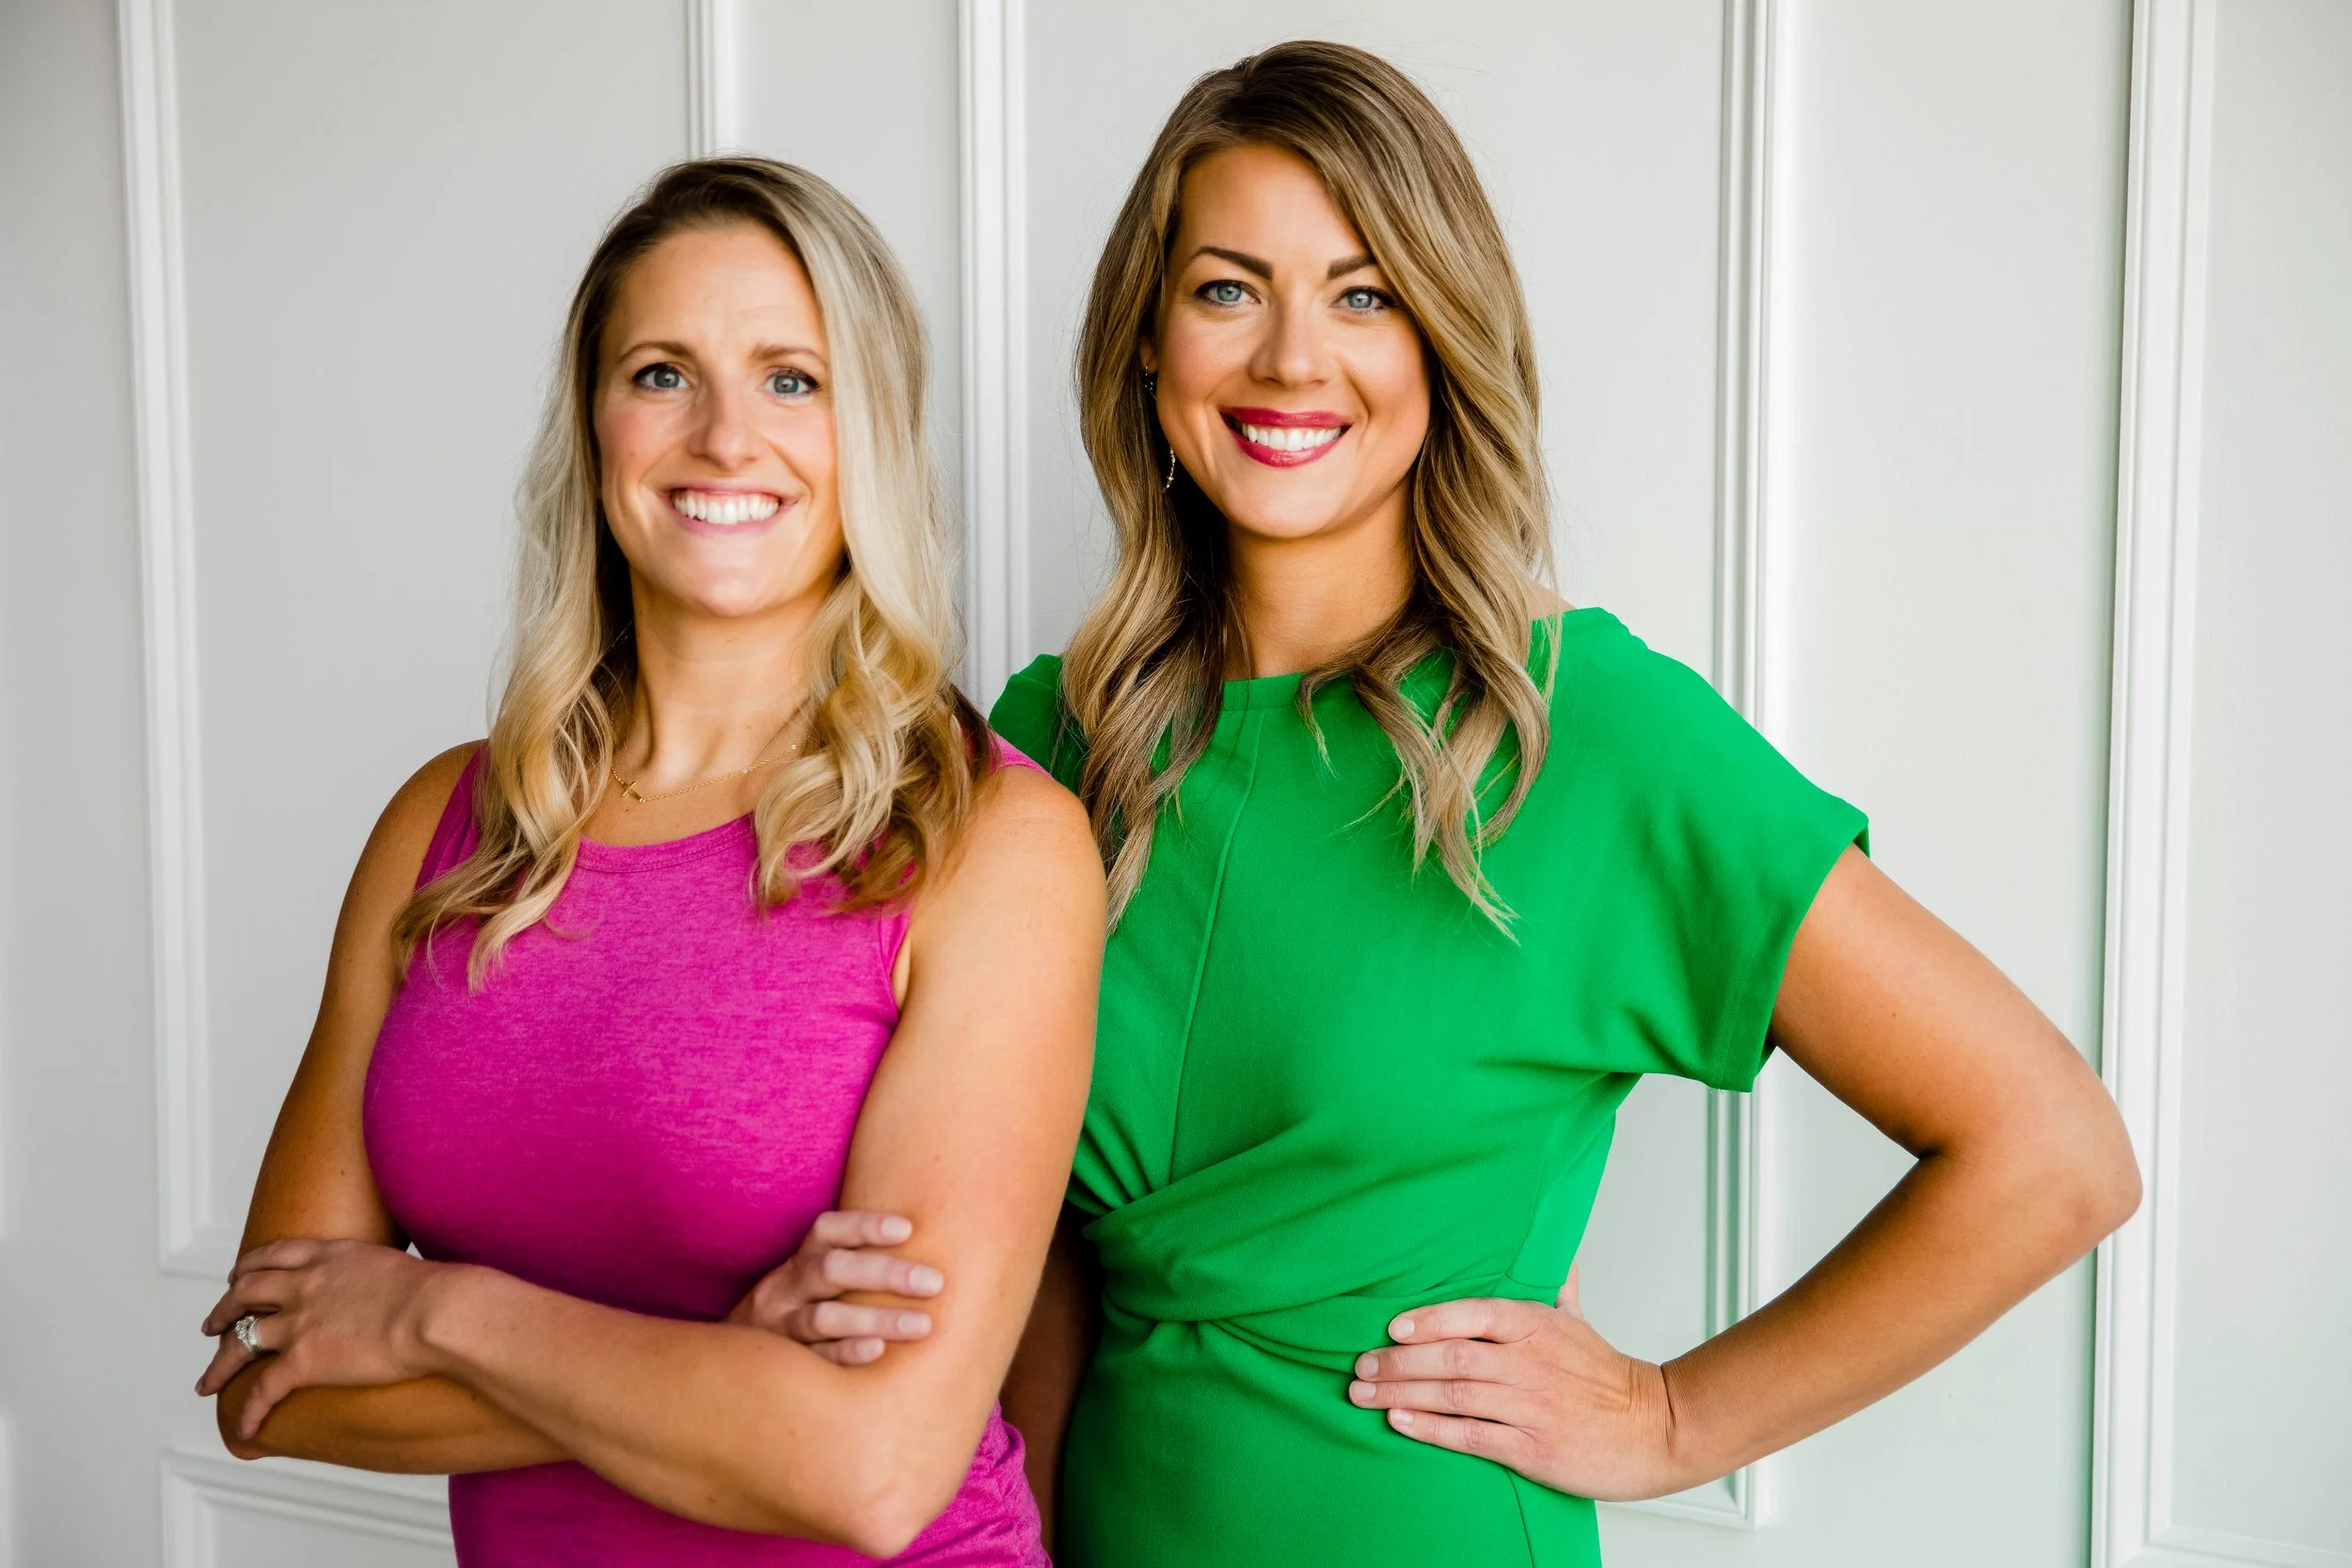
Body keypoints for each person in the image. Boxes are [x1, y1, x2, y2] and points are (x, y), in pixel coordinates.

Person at [970, 41, 2137, 1567]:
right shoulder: (1054, 737)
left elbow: (2053, 1151)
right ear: (1146, 338)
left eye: (1365, 295)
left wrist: (1672, 1416)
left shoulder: (1587, 731)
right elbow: (1044, 1259)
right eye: (1229, 289)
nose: (1292, 359)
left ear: (1442, 343)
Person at [193, 157, 1104, 1567]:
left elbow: (870, 1464)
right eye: (663, 374)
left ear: (870, 432)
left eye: (792, 380)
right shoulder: (447, 828)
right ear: (593, 421)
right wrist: (727, 1358)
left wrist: (437, 1313)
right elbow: (269, 1376)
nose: (726, 437)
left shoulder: (989, 842)